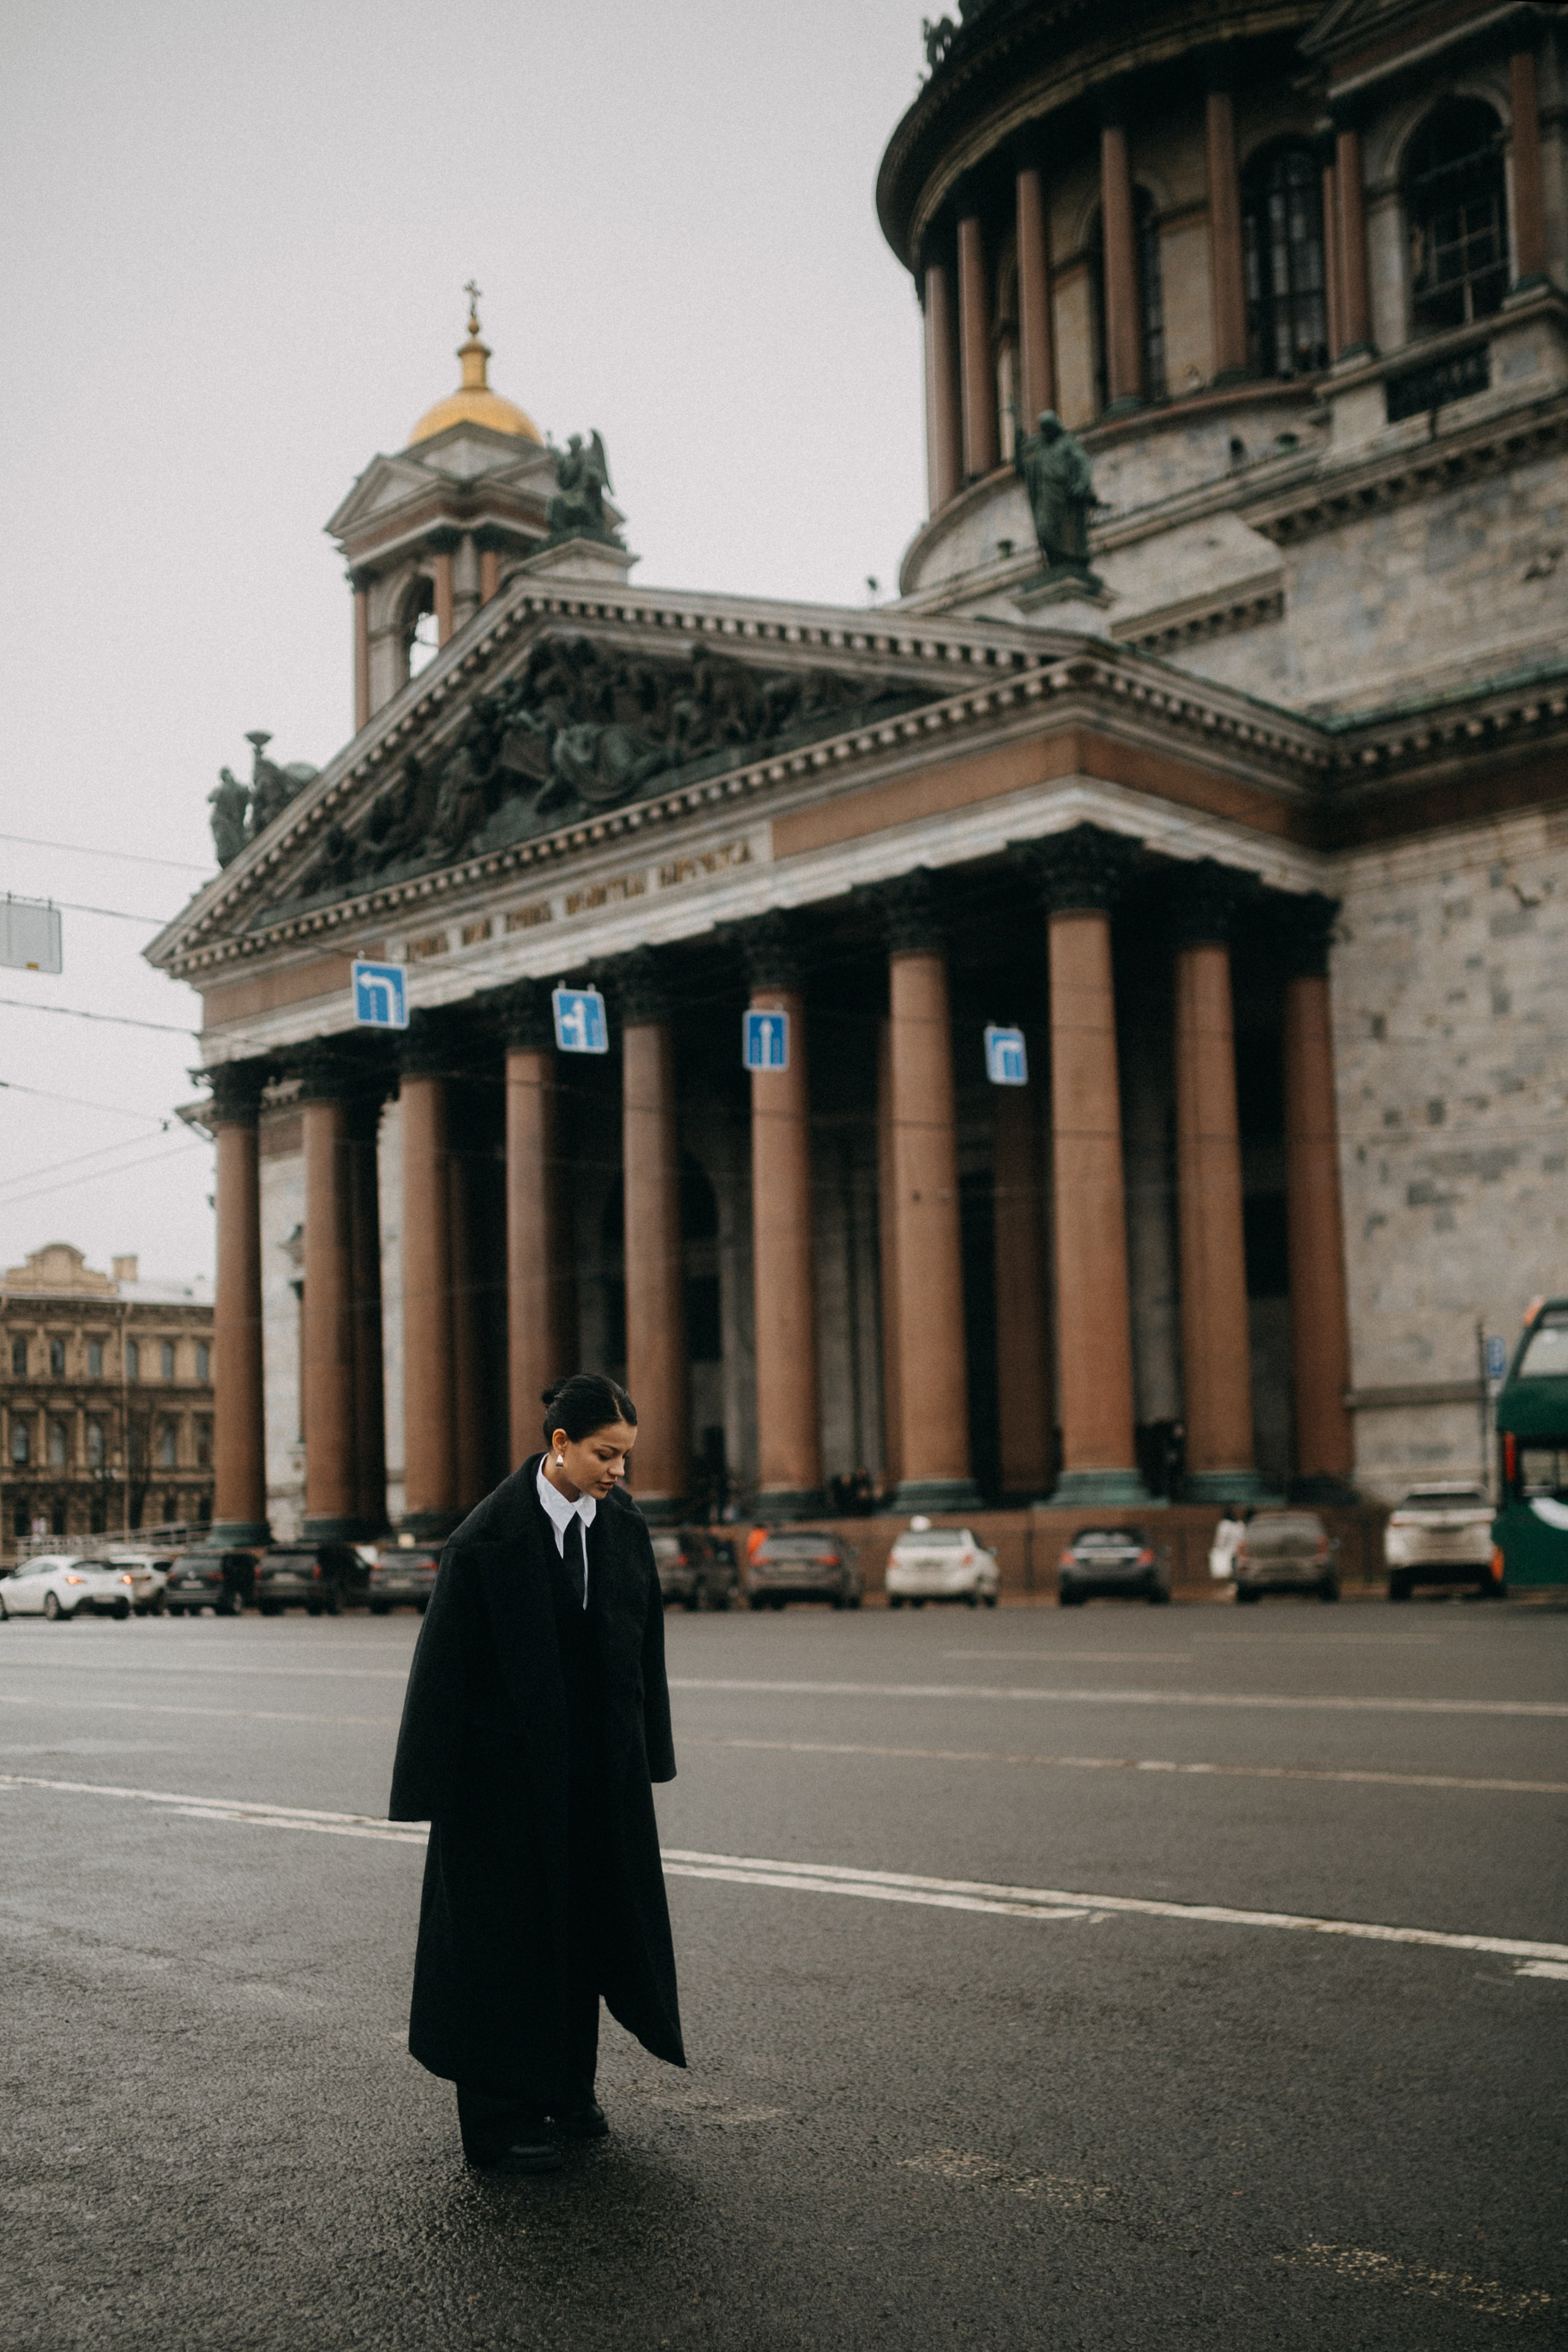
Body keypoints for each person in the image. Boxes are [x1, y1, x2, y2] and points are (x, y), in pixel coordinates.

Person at [388, 1373, 685, 2174]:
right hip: (499, 1789)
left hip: (593, 1779)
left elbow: (642, 1647)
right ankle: (495, 2121)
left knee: (582, 1933)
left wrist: (648, 1753)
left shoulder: (620, 1522)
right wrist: (432, 1794)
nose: (618, 1471)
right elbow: (442, 1673)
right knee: (500, 1948)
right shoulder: (487, 1539)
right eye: (604, 1455)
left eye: (625, 1456)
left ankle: (565, 2089)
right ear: (560, 1445)